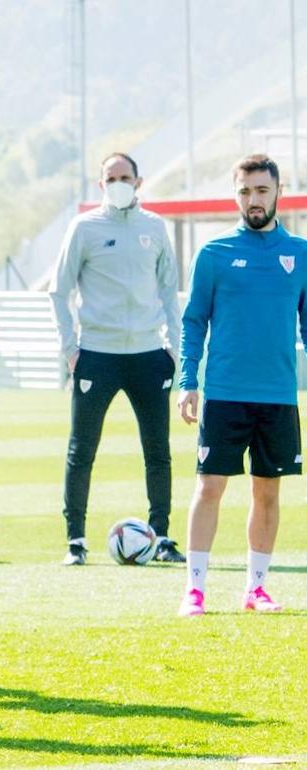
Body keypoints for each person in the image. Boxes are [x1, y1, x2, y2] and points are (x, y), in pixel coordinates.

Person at [176, 154, 306, 616]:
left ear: (278, 192)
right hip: (226, 393)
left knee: (267, 491)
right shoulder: (213, 255)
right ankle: (194, 590)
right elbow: (194, 322)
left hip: (277, 397)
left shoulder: (302, 254)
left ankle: (257, 588)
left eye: (262, 190)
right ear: (236, 195)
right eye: (245, 191)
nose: (254, 200)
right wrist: (188, 381)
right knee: (209, 487)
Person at [47, 152, 185, 566]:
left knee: (157, 450)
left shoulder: (156, 227)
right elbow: (59, 290)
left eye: (125, 177)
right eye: (111, 178)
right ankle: (76, 540)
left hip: (148, 355)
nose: (118, 183)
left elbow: (169, 291)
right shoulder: (84, 227)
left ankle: (161, 536)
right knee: (81, 450)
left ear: (139, 182)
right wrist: (71, 349)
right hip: (97, 355)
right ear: (100, 183)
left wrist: (174, 350)